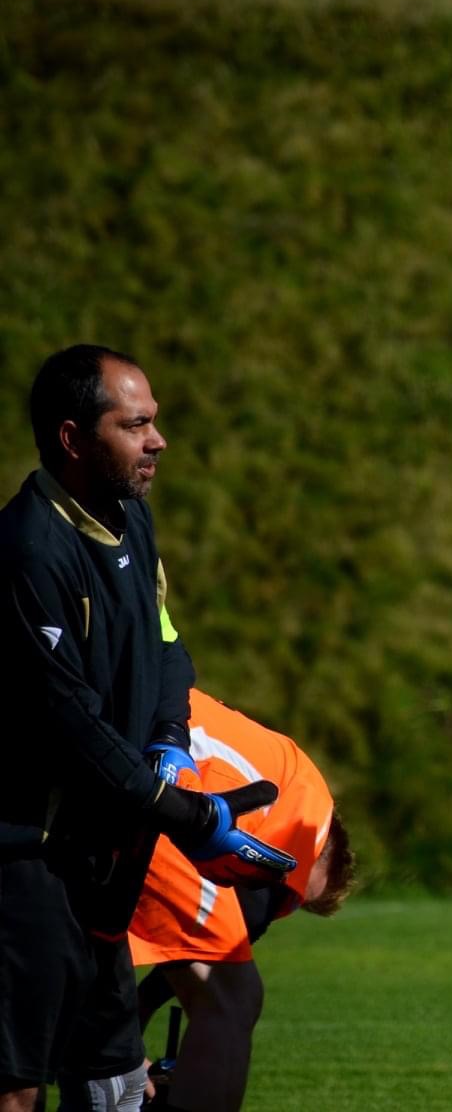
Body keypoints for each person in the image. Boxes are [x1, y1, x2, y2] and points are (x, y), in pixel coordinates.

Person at [0, 346, 292, 1112]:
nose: (157, 440)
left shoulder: (132, 520)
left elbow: (167, 646)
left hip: (105, 858)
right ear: (72, 438)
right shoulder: (28, 551)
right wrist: (184, 814)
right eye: (135, 425)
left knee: (113, 1083)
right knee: (17, 1086)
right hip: (31, 860)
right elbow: (68, 722)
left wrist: (167, 740)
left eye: (153, 422)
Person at [130, 688, 356, 1112]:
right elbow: (243, 922)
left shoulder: (285, 767)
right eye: (291, 897)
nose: (278, 905)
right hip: (162, 781)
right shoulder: (308, 813)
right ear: (326, 845)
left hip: (124, 744)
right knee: (232, 997)